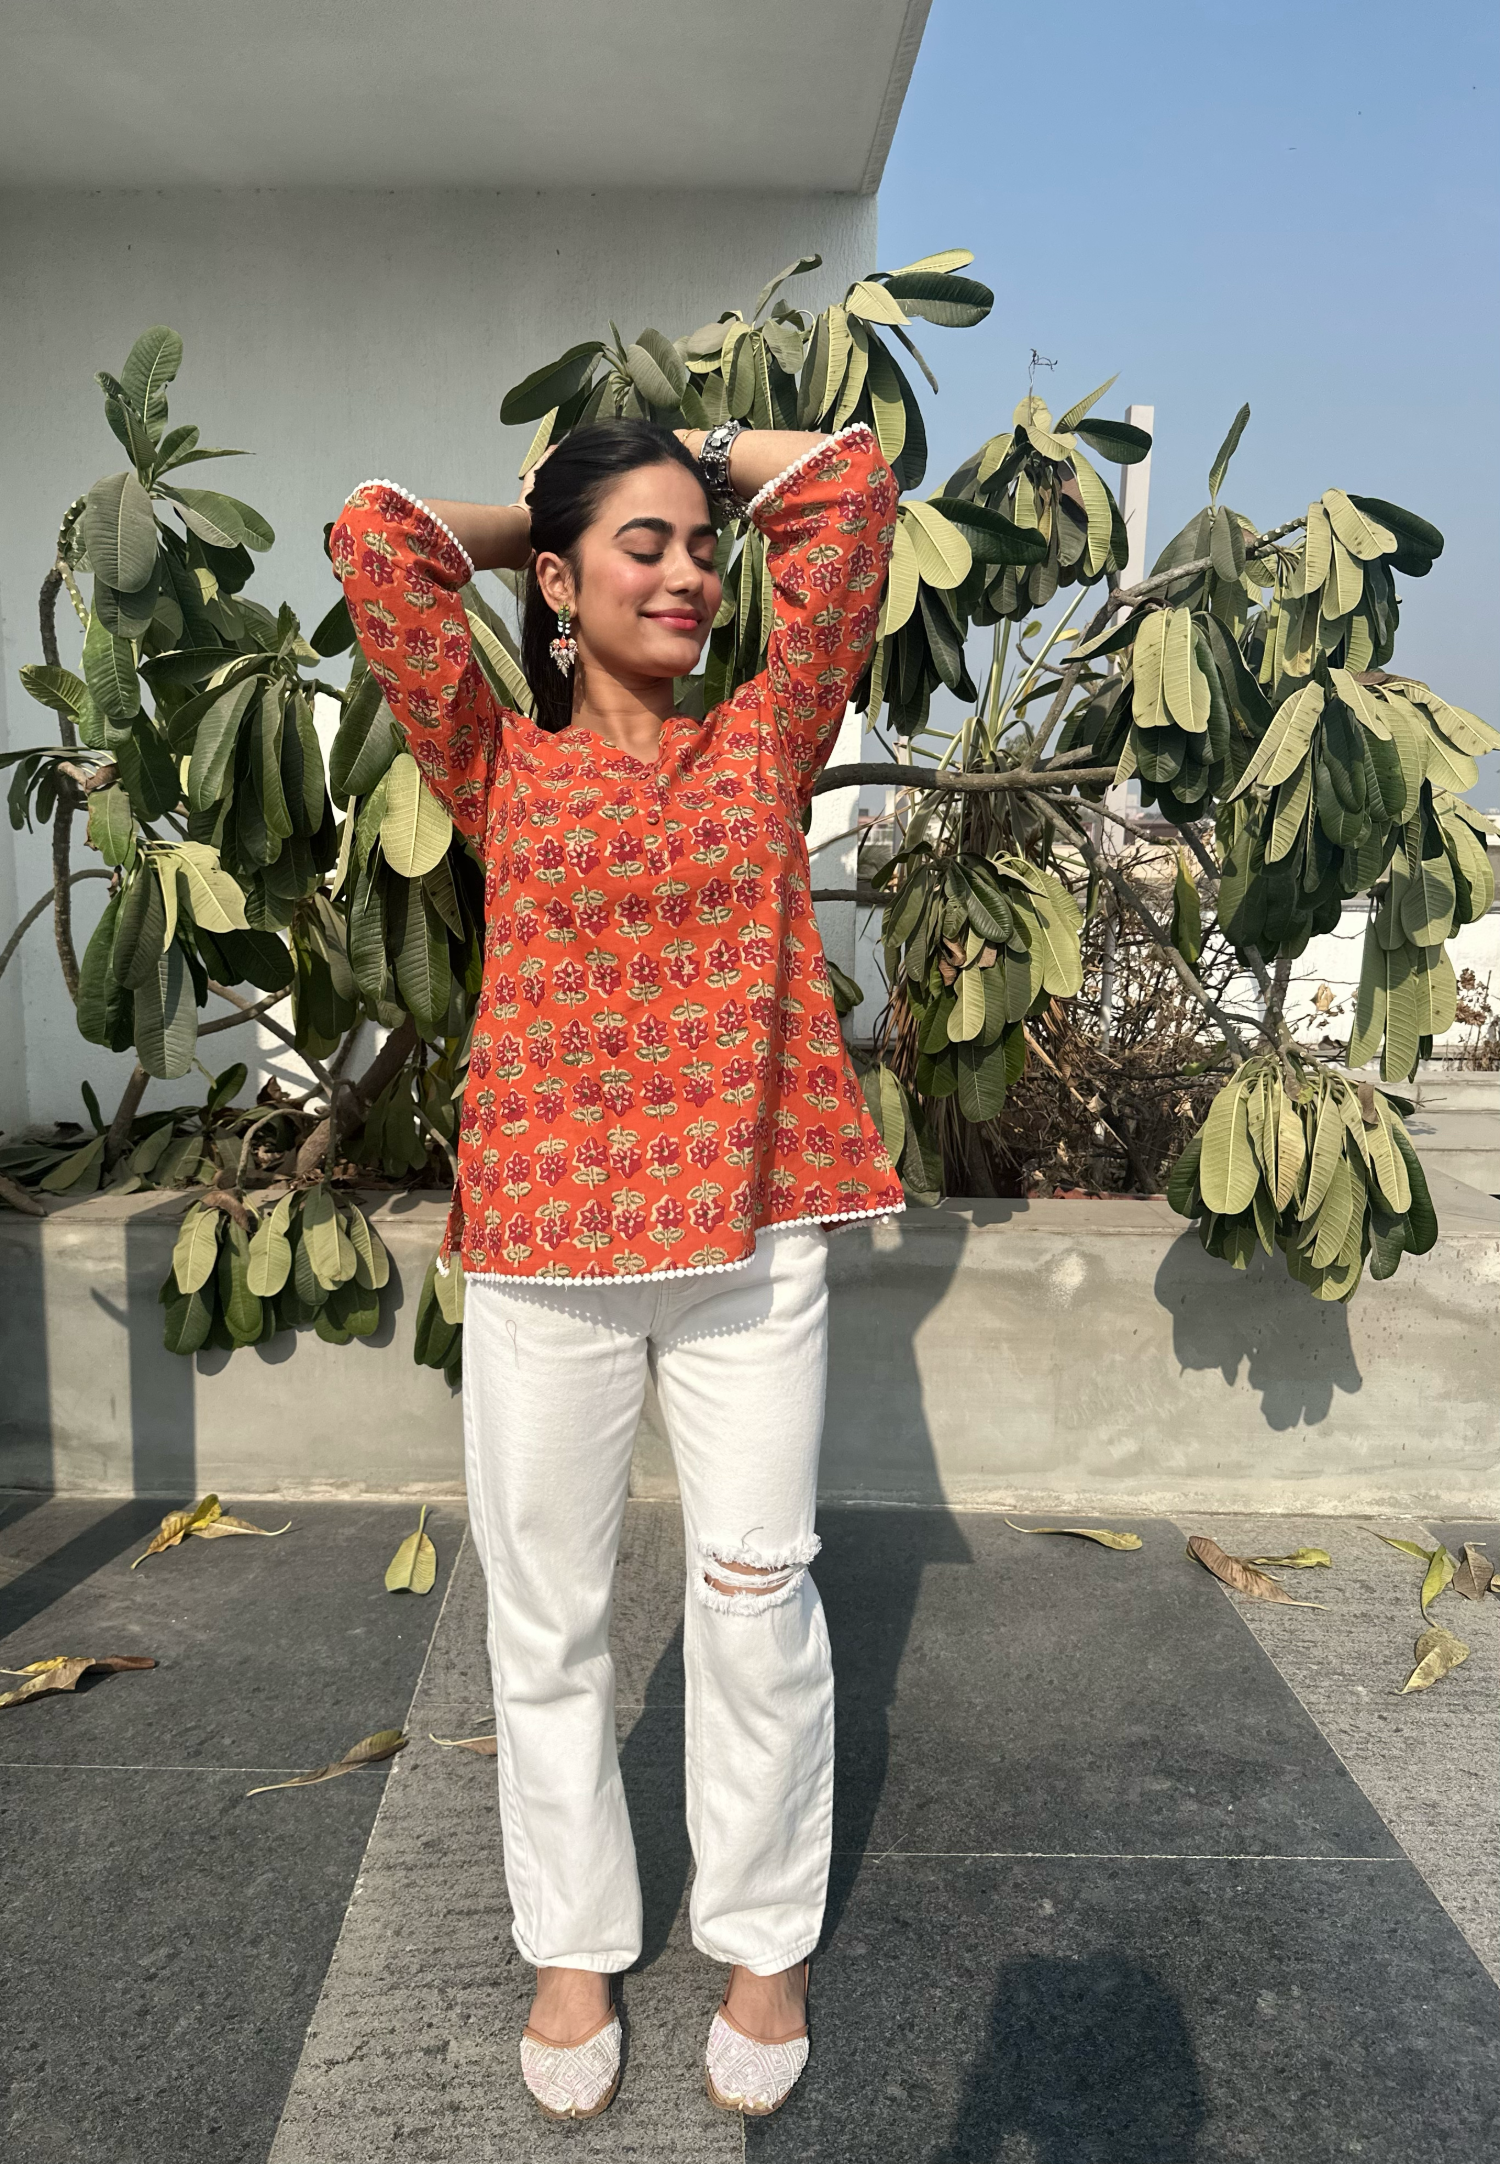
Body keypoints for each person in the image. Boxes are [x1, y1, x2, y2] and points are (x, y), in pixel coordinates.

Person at [330, 415, 902, 2120]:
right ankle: (573, 1945)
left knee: (752, 1595)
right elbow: (375, 541)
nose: (689, 571)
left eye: (698, 547)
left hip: (745, 1244)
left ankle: (761, 1934)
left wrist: (702, 461)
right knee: (553, 1620)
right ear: (562, 592)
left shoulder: (763, 740)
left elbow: (852, 496)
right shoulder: (495, 761)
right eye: (639, 550)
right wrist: (559, 522)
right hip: (543, 1259)